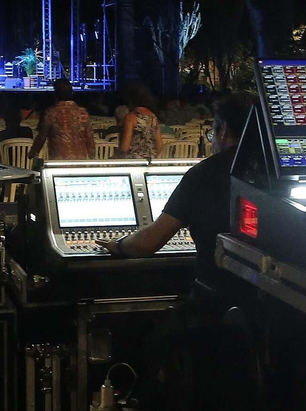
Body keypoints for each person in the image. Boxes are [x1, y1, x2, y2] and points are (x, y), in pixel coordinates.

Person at [98, 92, 255, 294]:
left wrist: (118, 244)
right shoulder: (272, 170)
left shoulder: (204, 173)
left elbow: (148, 243)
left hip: (216, 297)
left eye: (212, 133)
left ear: (223, 130)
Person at [30, 79, 96, 161]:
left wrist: (33, 152)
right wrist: (92, 155)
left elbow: (42, 136)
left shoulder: (51, 113)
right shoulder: (82, 112)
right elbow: (89, 136)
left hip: (58, 160)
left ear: (55, 93)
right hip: (79, 160)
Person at [117, 84, 161, 159]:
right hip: (150, 160)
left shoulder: (131, 118)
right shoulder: (154, 118)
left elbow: (125, 147)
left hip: (133, 160)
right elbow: (159, 146)